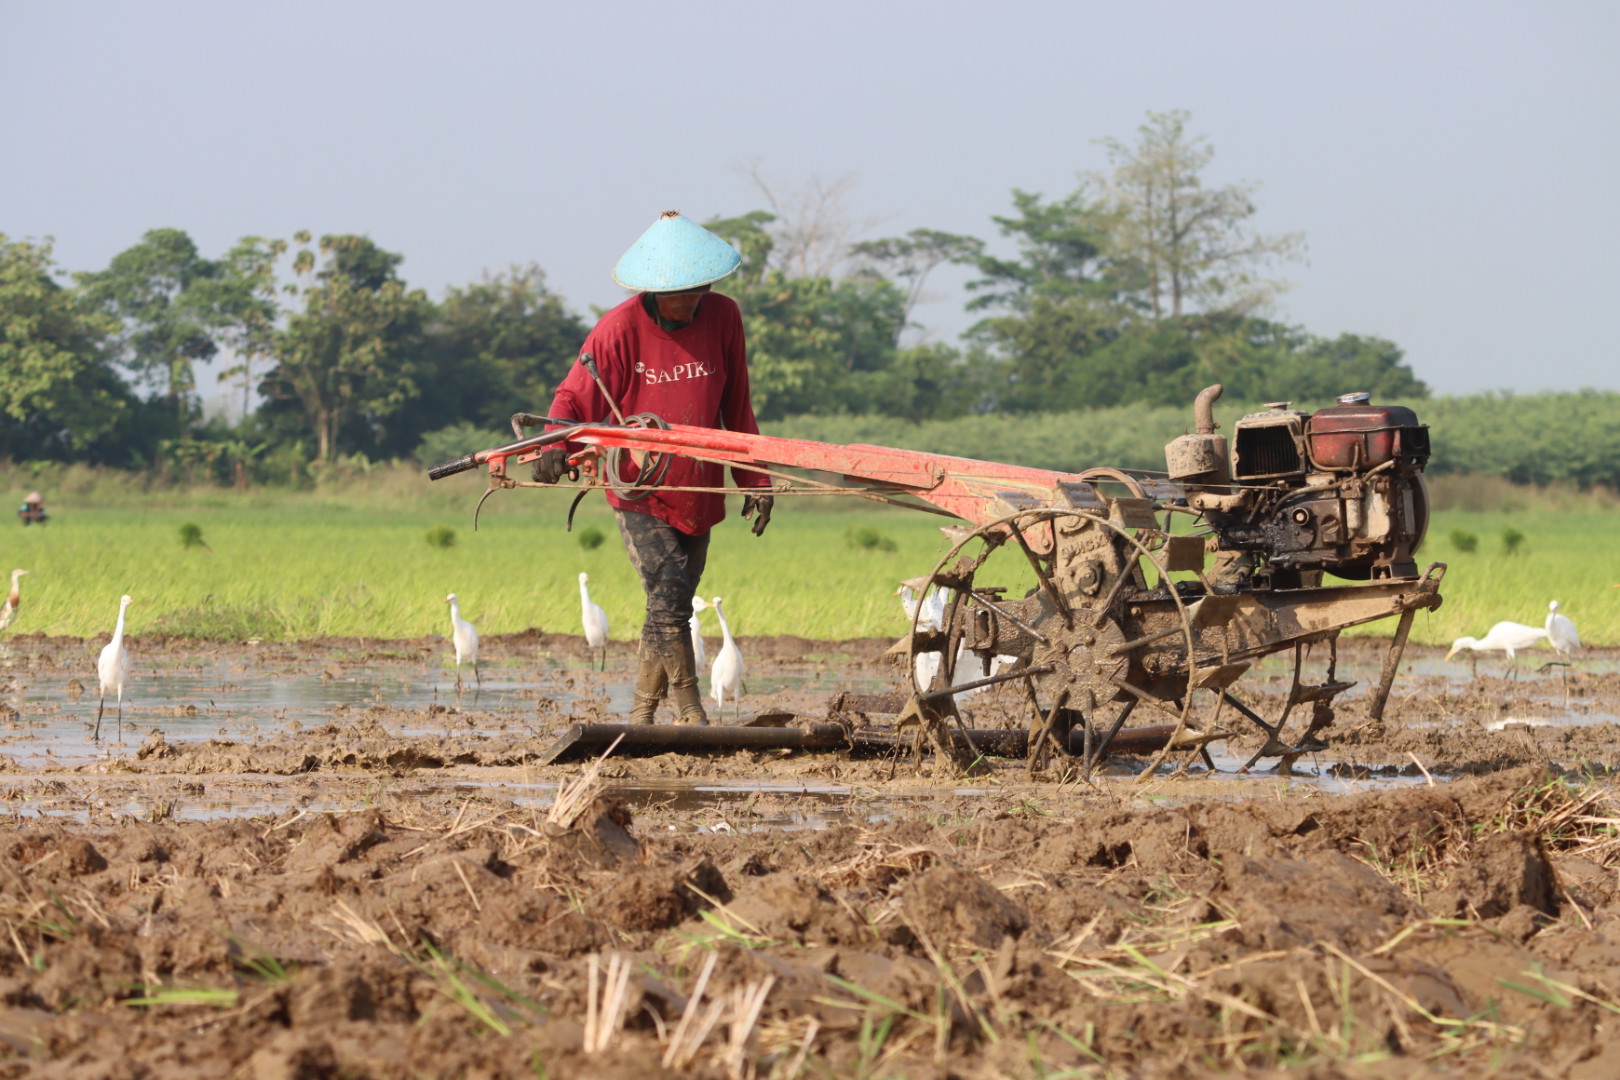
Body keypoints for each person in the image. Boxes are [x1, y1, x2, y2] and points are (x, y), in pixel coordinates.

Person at [535, 211, 773, 726]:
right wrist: (553, 442)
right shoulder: (617, 330)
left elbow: (738, 406)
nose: (688, 302)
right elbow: (572, 397)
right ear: (652, 290)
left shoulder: (725, 318)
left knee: (672, 599)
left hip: (701, 486)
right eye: (677, 293)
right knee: (670, 594)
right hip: (639, 489)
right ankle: (690, 708)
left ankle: (641, 714)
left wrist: (755, 479)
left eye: (696, 290)